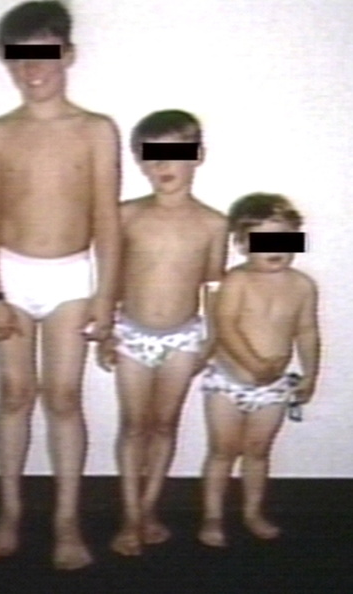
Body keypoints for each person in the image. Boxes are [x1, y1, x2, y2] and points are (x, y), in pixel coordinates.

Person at [0, 1, 120, 570]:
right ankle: (9, 512)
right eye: (17, 58)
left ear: (68, 55)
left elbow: (107, 220)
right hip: (9, 275)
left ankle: (66, 520)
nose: (30, 70)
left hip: (71, 278)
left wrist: (106, 297)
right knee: (13, 395)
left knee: (63, 398)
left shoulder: (96, 130)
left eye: (42, 55)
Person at [97, 110, 228, 556]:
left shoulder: (213, 223)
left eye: (174, 154)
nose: (163, 166)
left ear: (198, 156)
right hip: (132, 334)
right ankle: (129, 515)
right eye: (152, 157)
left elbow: (214, 285)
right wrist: (105, 329)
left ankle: (149, 508)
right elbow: (111, 276)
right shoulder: (127, 215)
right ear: (139, 162)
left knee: (165, 423)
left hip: (184, 339)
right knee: (134, 425)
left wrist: (213, 339)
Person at [197, 193, 320, 547]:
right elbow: (225, 326)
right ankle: (212, 516)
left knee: (258, 451)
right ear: (241, 244)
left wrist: (310, 374)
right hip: (228, 383)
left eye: (284, 238)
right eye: (263, 240)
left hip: (273, 387)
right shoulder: (237, 281)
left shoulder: (302, 286)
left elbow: (307, 331)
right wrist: (253, 363)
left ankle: (252, 512)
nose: (275, 248)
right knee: (222, 451)